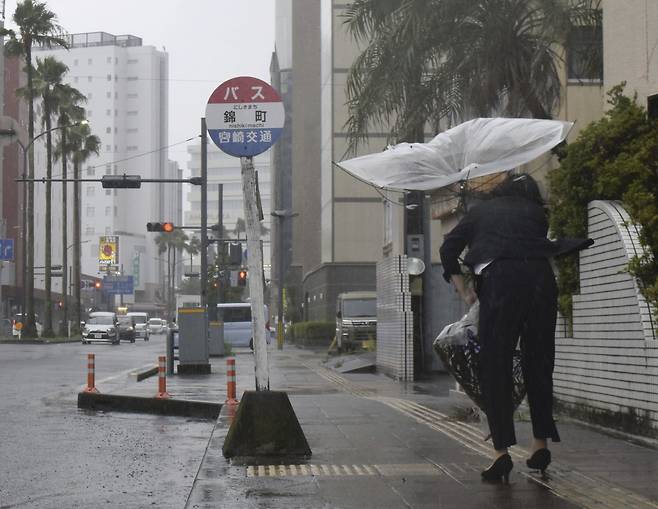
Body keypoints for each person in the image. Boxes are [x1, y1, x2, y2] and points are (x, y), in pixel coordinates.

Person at [439, 173, 592, 483]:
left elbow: (447, 250)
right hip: (540, 280)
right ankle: (539, 445)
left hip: (501, 282)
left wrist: (464, 291)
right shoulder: (536, 213)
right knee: (539, 362)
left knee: (495, 364)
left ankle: (501, 452)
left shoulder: (479, 212)